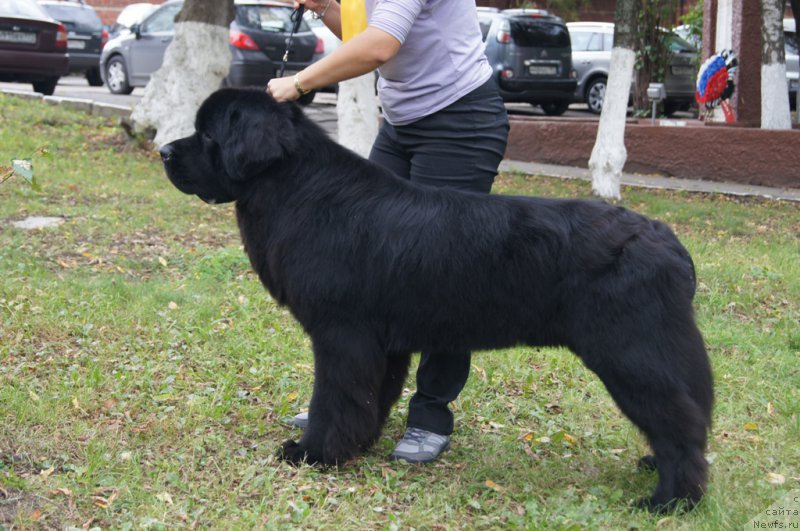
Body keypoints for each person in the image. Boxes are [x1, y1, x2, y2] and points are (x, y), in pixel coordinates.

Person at [267, 0, 509, 464]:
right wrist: (323, 9)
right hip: (401, 125)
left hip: (460, 122)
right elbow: (365, 32)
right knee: (367, 271)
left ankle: (430, 415)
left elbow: (379, 48)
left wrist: (298, 82)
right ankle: (350, 405)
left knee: (442, 274)